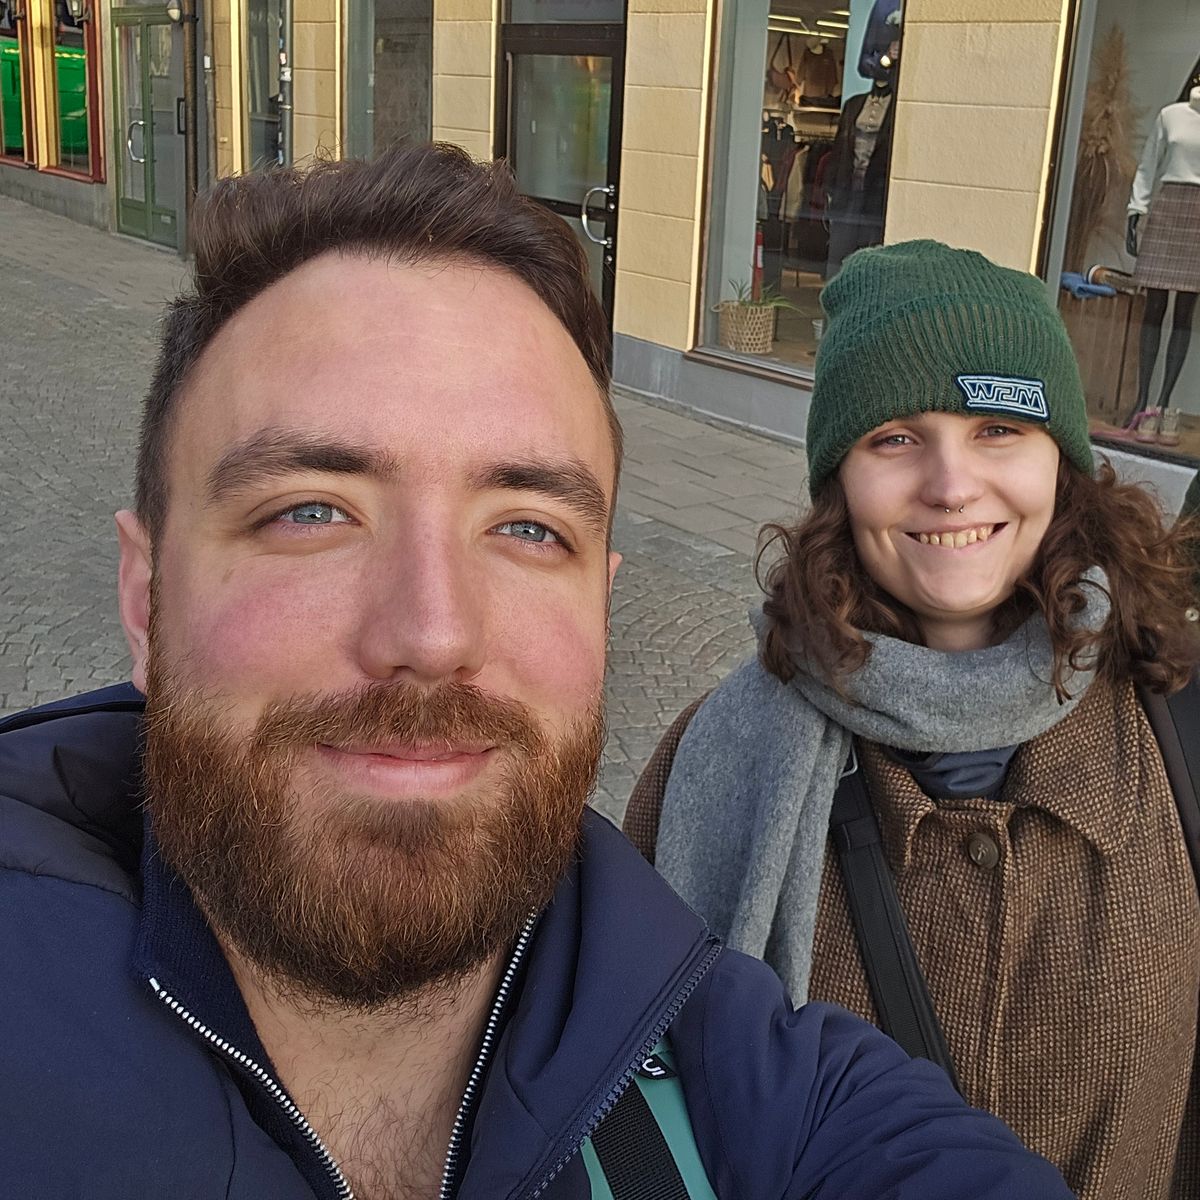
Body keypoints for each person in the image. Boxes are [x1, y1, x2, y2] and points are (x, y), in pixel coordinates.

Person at [0, 149, 1070, 1198]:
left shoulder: (751, 1081)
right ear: (144, 596)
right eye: (311, 511)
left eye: (525, 527)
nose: (433, 633)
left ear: (602, 602)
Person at [624, 238, 1200, 1200]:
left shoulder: (1174, 723)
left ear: (1061, 463)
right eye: (895, 438)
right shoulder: (717, 758)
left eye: (997, 430)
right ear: (839, 479)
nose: (950, 484)